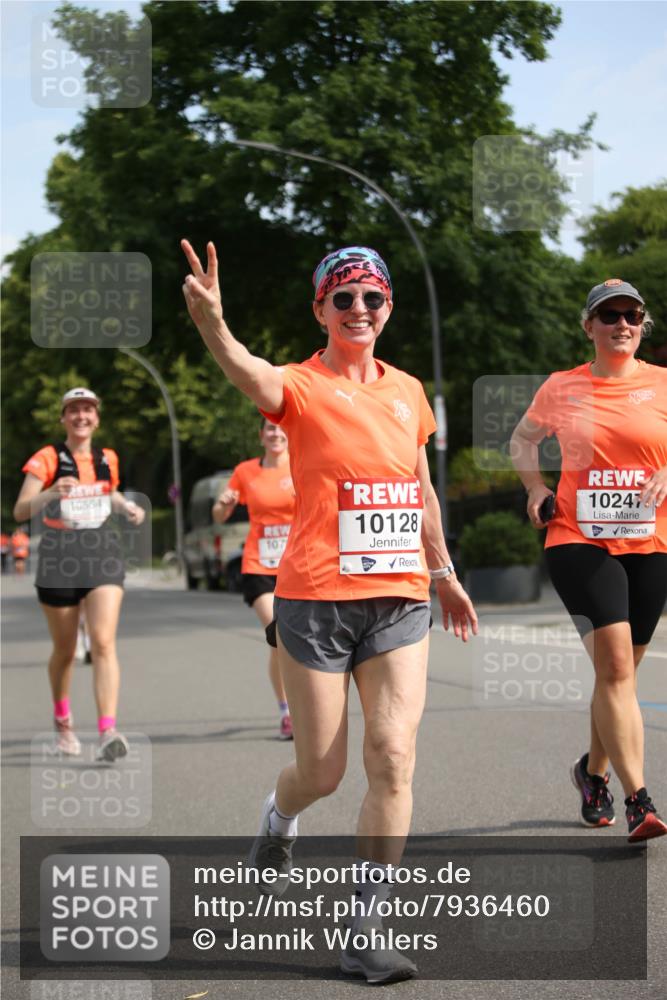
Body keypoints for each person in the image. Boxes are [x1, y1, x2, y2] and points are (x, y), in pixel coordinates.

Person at [182, 240, 477, 982]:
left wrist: (442, 571)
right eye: (342, 297)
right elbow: (246, 370)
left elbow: (417, 492)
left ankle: (363, 930)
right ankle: (278, 821)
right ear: (320, 308)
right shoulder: (298, 386)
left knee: (392, 757)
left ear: (387, 309)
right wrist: (214, 324)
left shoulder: (407, 392)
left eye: (371, 297)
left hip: (399, 599)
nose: (358, 308)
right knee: (321, 772)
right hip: (313, 600)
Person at [511, 279, 667, 843]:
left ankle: (592, 773)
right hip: (578, 538)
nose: (621, 324)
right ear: (589, 327)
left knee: (616, 676)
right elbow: (522, 441)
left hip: (650, 544)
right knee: (618, 669)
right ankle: (639, 800)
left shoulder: (663, 385)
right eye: (609, 316)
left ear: (641, 324)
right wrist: (534, 487)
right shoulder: (562, 387)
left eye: (631, 315)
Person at [13, 387, 145, 762]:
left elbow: (111, 493)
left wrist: (127, 508)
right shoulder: (47, 458)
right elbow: (22, 510)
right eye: (73, 410)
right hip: (59, 554)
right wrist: (52, 491)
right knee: (65, 650)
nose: (81, 416)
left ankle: (108, 730)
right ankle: (63, 722)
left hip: (101, 550)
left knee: (103, 642)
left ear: (97, 417)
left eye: (87, 409)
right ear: (63, 418)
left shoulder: (108, 458)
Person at [213, 419, 296, 740]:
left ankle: (306, 705)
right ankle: (286, 711)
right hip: (260, 566)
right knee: (280, 632)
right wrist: (224, 505)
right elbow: (219, 515)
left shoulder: (303, 462)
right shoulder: (246, 471)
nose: (276, 434)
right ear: (261, 435)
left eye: (281, 429)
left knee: (296, 639)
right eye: (270, 430)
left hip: (299, 565)